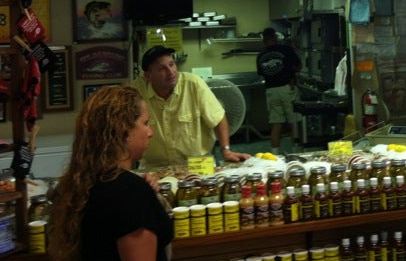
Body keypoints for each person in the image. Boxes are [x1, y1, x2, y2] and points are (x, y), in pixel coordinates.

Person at [48, 86, 173, 261]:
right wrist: (142, 195)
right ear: (124, 130)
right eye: (145, 123)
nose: (150, 132)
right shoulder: (130, 192)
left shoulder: (78, 183)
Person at [128, 46, 250, 167]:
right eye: (162, 69)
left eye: (171, 64)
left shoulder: (193, 84)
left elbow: (218, 118)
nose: (171, 72)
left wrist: (226, 150)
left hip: (198, 164)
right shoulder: (136, 91)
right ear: (148, 76)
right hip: (154, 166)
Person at [256, 27, 302, 155]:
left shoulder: (260, 55)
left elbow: (262, 73)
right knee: (293, 122)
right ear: (275, 38)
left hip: (271, 91)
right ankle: (296, 152)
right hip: (288, 88)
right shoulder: (286, 50)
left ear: (264, 40)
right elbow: (298, 66)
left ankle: (274, 153)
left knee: (276, 124)